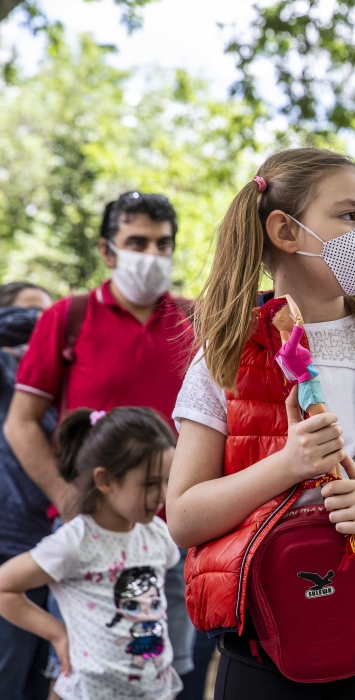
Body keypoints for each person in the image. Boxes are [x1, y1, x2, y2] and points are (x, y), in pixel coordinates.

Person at [167, 149, 355, 700]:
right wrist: (288, 465)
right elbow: (183, 518)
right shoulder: (224, 359)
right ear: (284, 229)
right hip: (261, 645)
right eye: (349, 216)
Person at [3, 192, 200, 687]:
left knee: (165, 671)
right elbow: (21, 422)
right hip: (91, 536)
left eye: (162, 244)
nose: (151, 255)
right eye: (137, 242)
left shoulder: (195, 321)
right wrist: (65, 495)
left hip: (170, 539)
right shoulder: (67, 318)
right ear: (107, 251)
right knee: (79, 675)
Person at [0, 407, 182, 700]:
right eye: (150, 484)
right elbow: (4, 586)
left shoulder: (158, 533)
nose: (162, 495)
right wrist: (57, 633)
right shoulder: (74, 542)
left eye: (166, 481)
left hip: (152, 691)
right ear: (105, 480)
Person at [0, 282, 55, 700]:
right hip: (9, 543)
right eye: (30, 313)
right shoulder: (4, 365)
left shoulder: (55, 375)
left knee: (43, 678)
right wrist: (40, 321)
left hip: (53, 546)